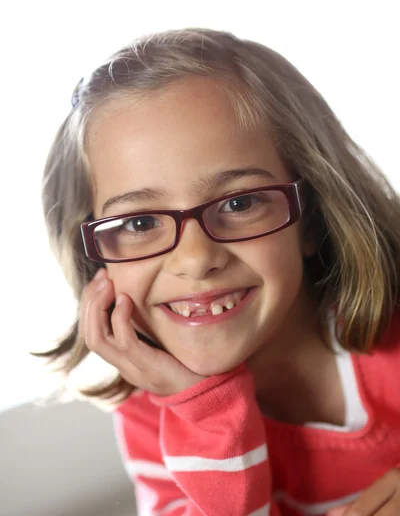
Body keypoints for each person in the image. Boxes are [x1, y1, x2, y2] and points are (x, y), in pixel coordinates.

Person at [36, 29, 400, 516]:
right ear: (96, 259)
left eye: (240, 202)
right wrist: (206, 411)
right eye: (140, 222)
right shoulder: (152, 417)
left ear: (310, 215)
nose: (195, 258)